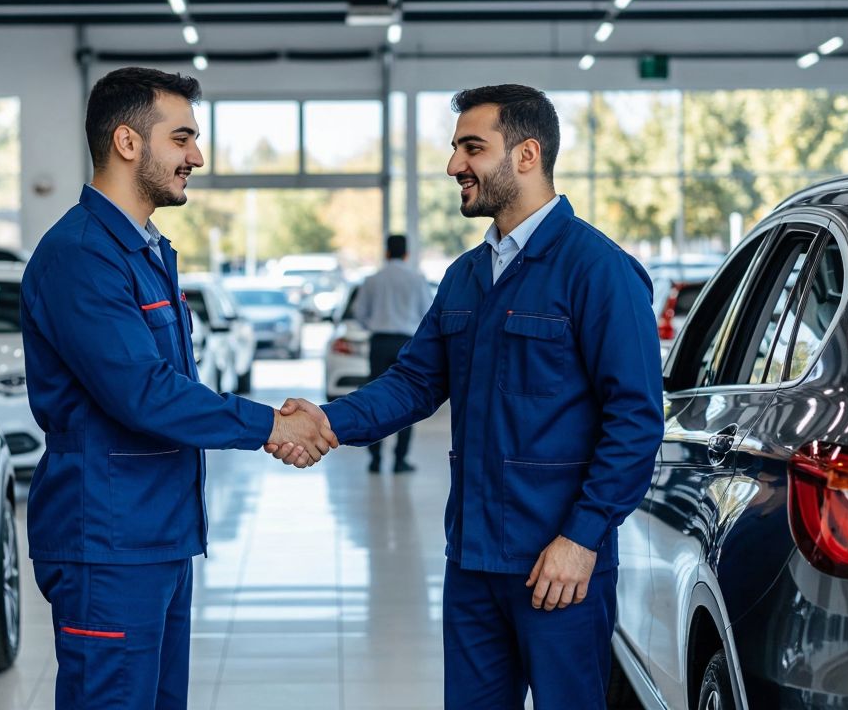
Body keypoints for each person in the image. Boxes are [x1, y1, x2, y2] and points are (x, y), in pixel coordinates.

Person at [272, 84, 664, 708]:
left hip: (559, 565)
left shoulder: (598, 271)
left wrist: (583, 538)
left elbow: (636, 421)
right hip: (474, 562)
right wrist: (327, 419)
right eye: (456, 148)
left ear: (527, 155)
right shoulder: (466, 276)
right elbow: (414, 382)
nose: (455, 165)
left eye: (472, 147)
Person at [20, 66, 337, 710]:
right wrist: (272, 424)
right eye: (183, 138)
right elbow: (144, 392)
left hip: (156, 533)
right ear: (128, 142)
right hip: (107, 543)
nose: (196, 156)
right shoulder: (82, 255)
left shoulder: (144, 250)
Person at [351, 233, 433, 473]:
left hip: (378, 343)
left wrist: (375, 325)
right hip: (406, 344)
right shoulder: (416, 280)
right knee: (407, 399)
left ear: (386, 252)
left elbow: (359, 313)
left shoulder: (372, 280)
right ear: (406, 253)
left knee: (375, 398)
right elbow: (428, 313)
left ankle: (375, 458)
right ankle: (400, 460)